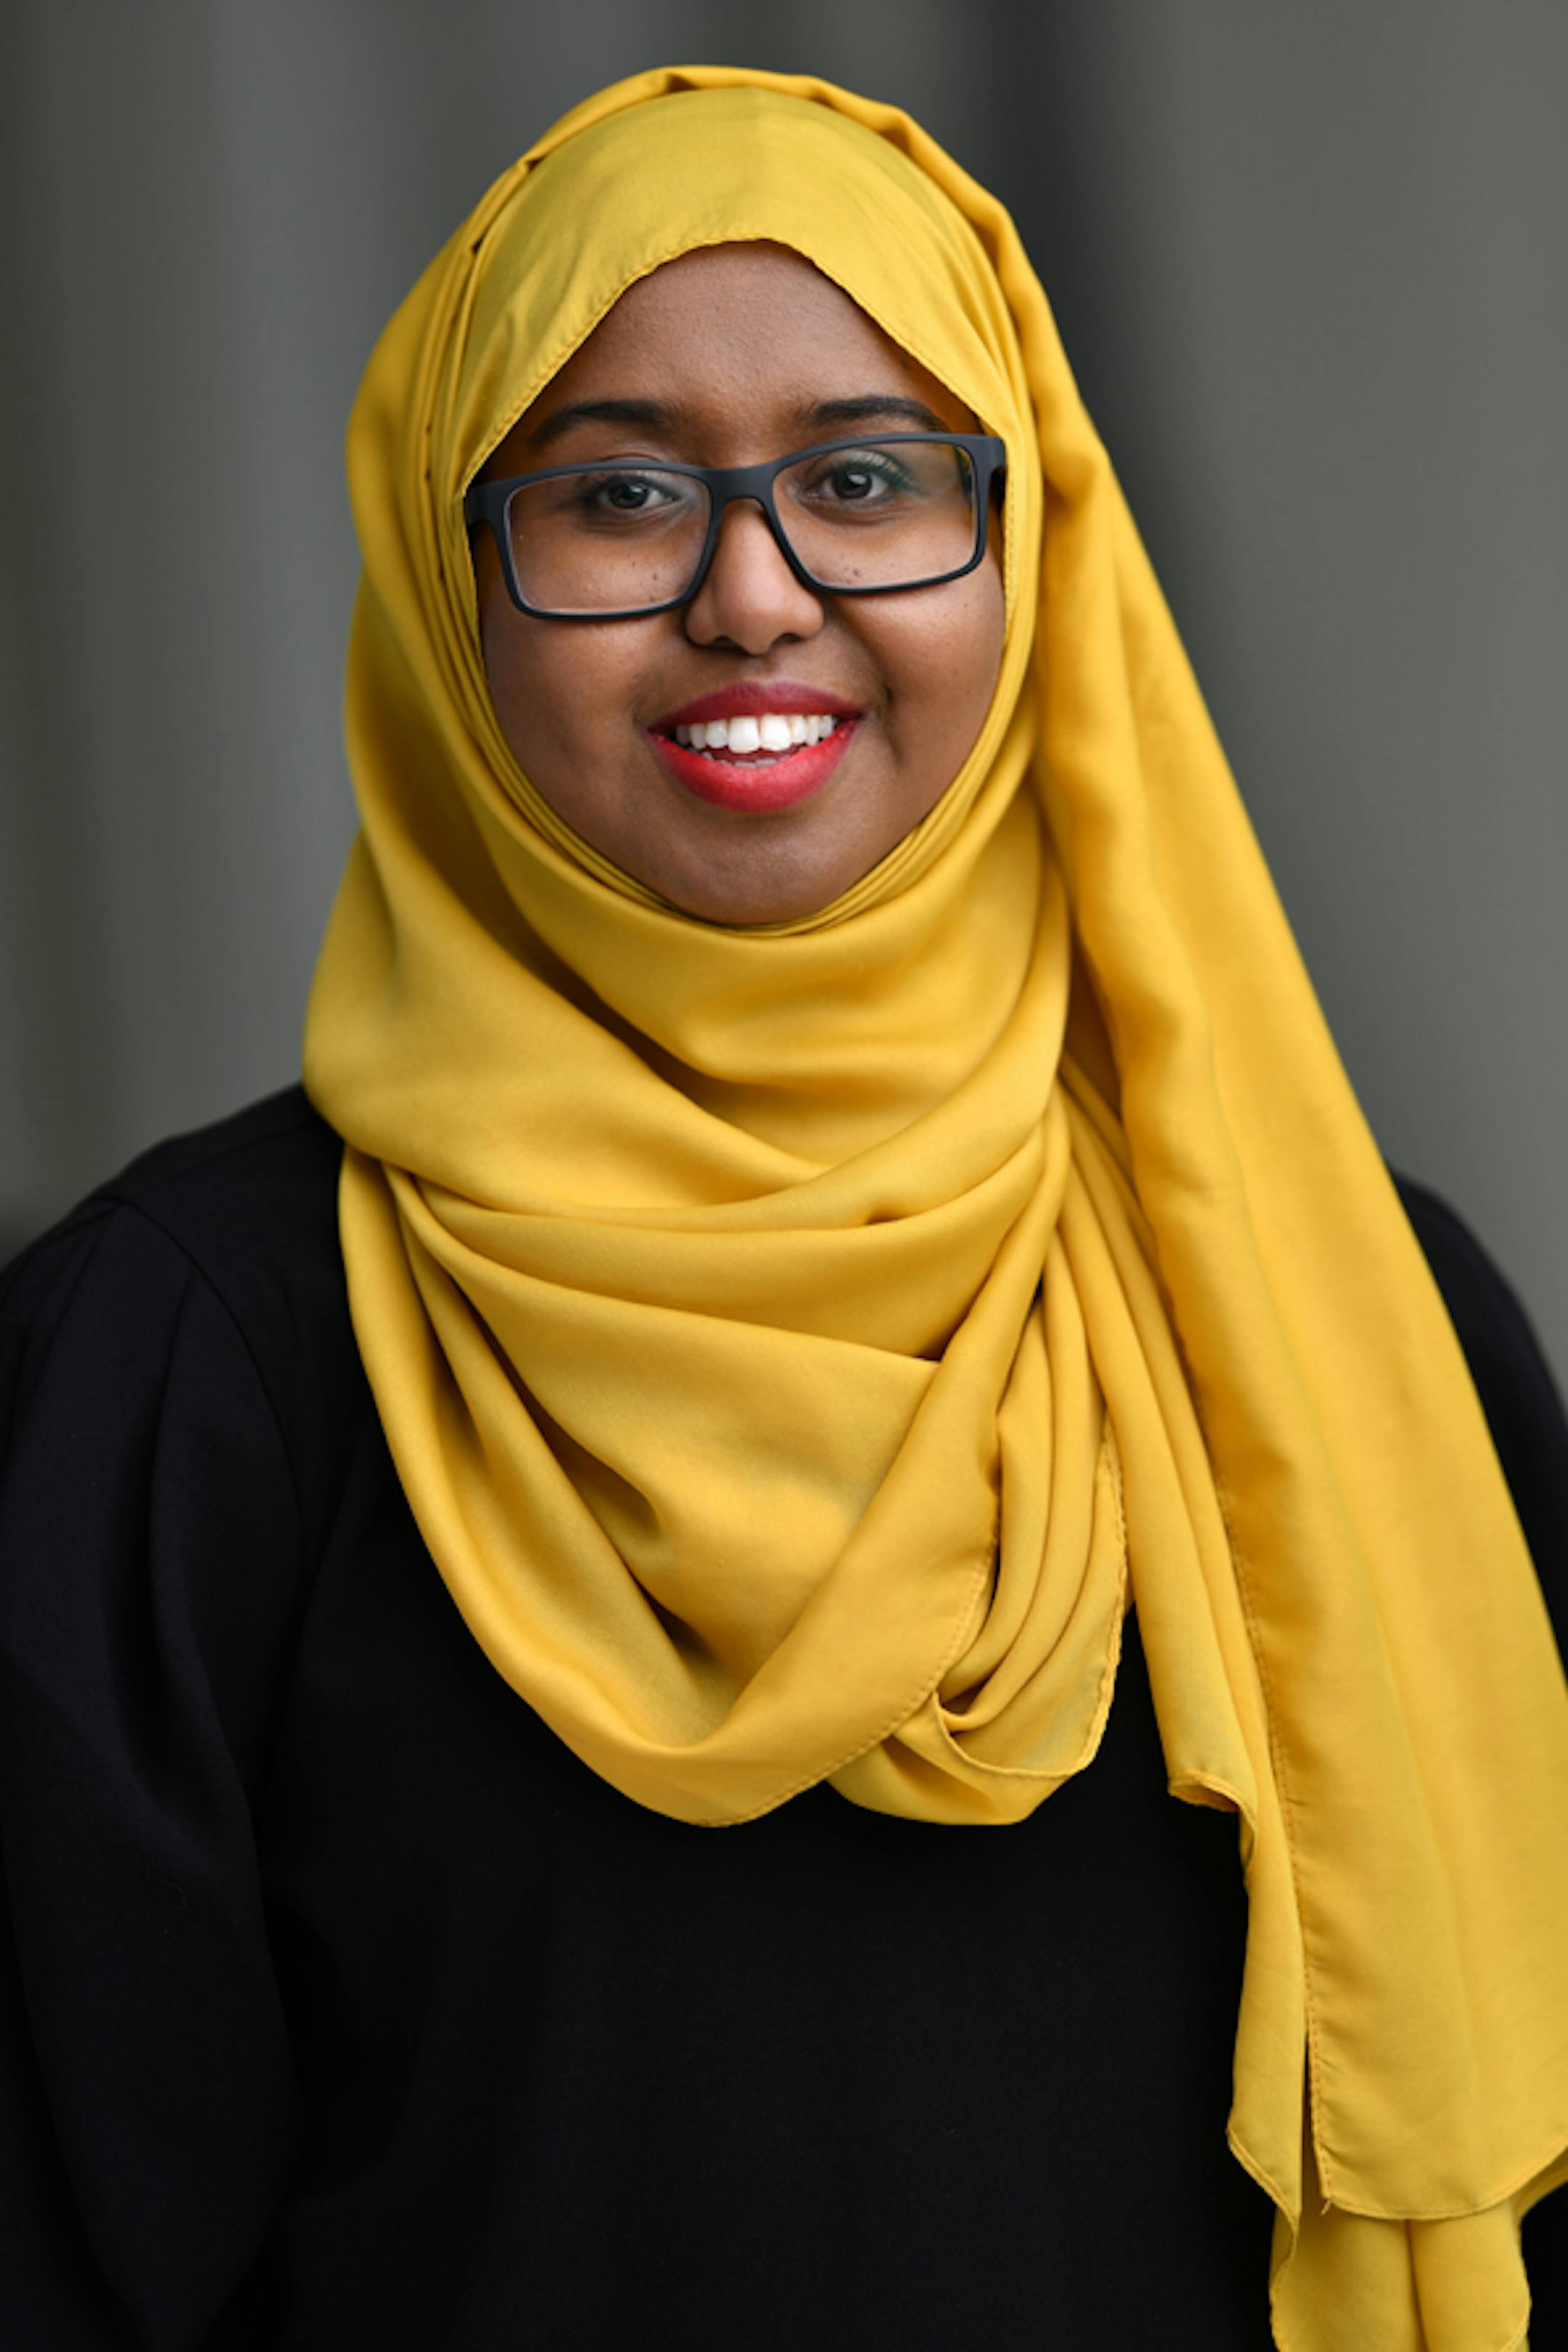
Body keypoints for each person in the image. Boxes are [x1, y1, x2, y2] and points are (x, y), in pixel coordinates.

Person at [2, 63, 1566, 2352]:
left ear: (1032, 555)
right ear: (456, 587)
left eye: (866, 477)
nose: (755, 594)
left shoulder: (1347, 1311)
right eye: (620, 494)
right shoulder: (190, 1367)